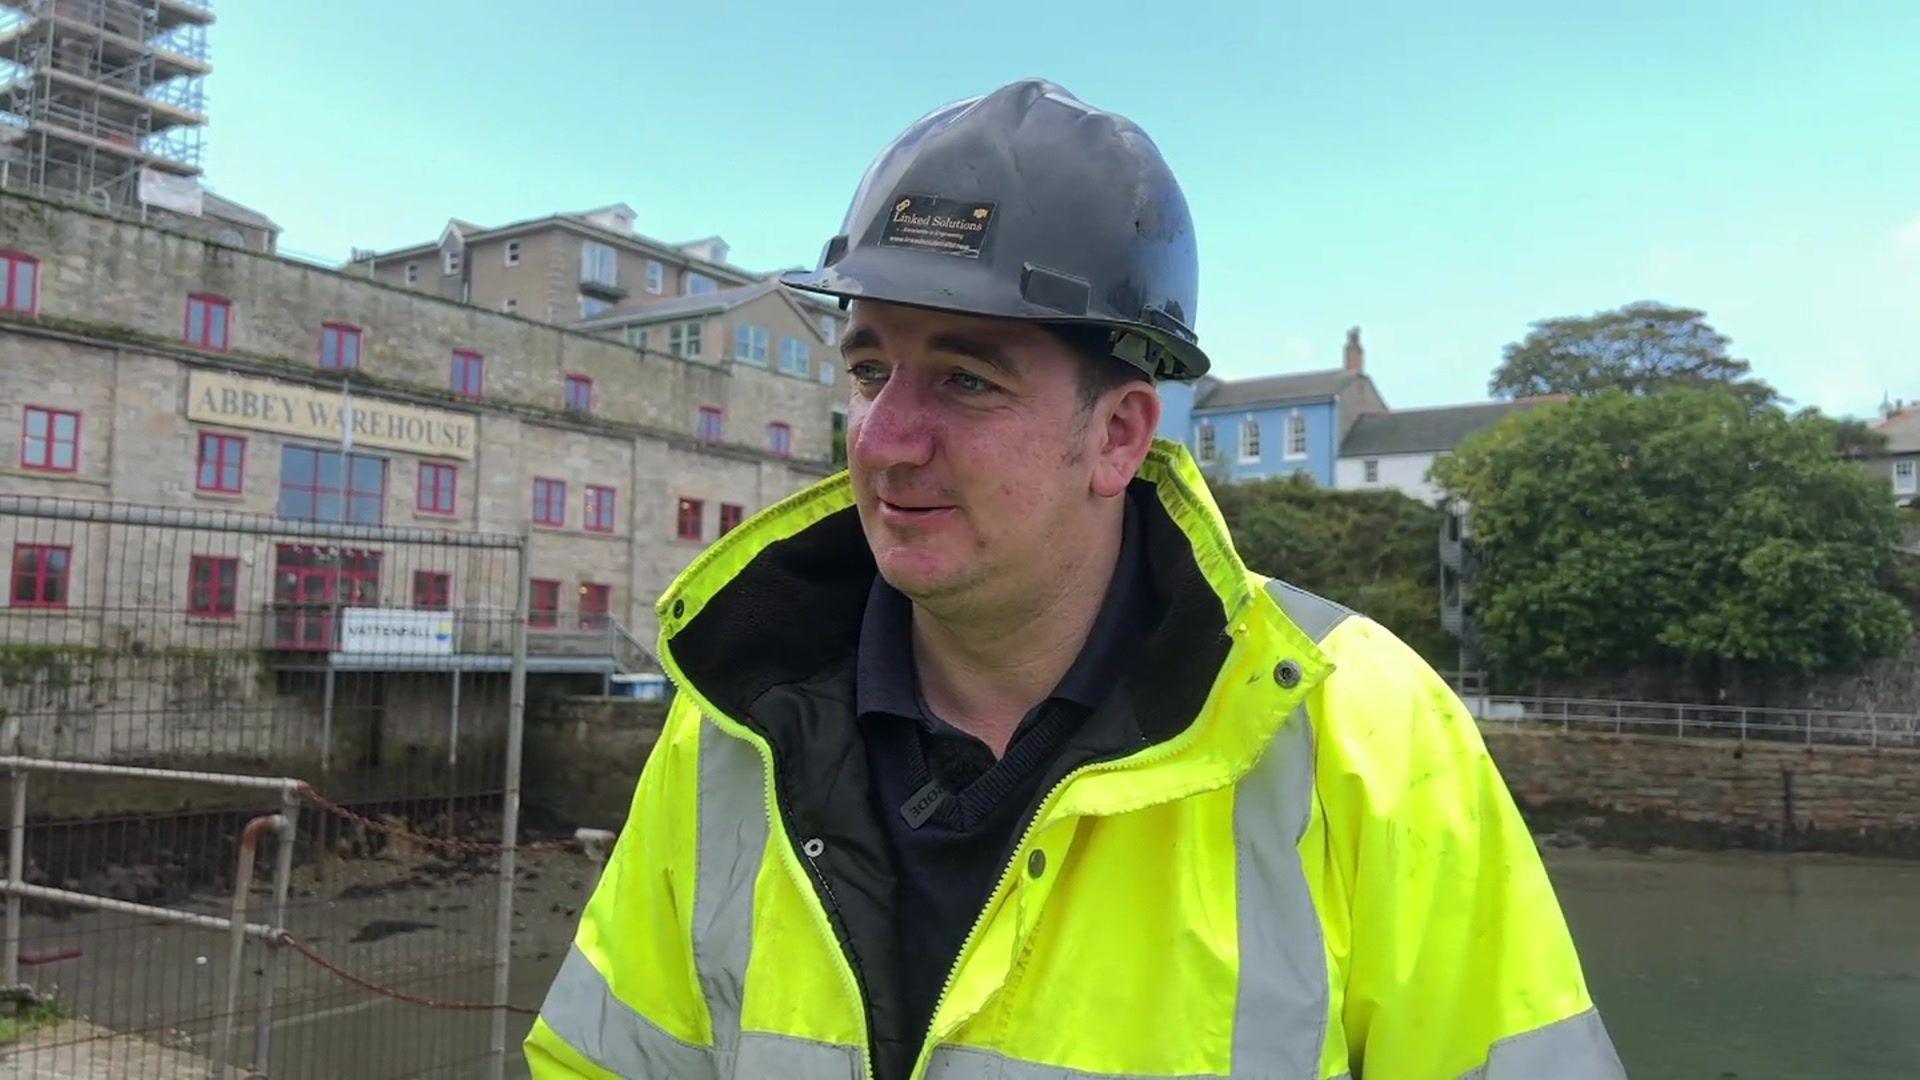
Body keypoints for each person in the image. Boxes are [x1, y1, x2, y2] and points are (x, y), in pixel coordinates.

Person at [525, 78, 1625, 1080]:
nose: (885, 438)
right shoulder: (731, 725)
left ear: (1120, 437)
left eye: (965, 379)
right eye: (870, 369)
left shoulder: (1368, 737)